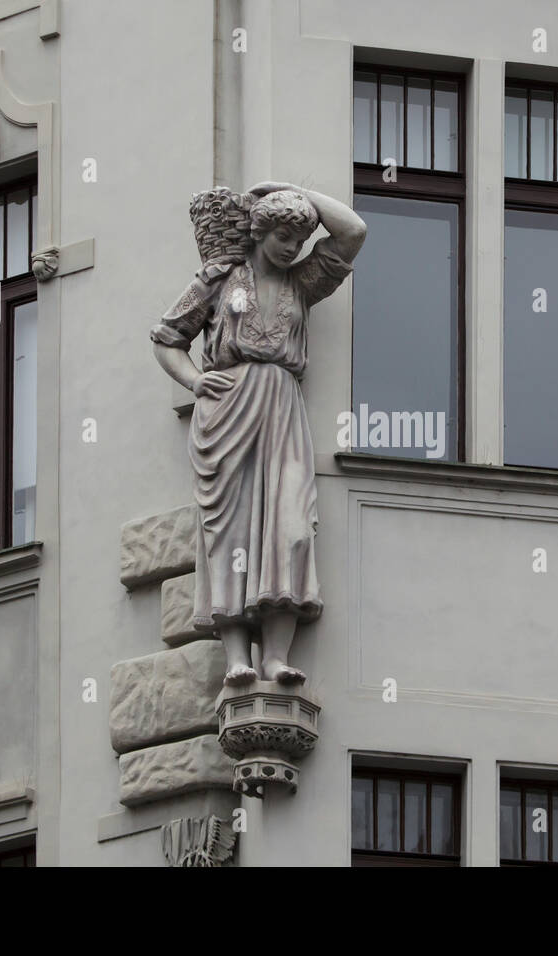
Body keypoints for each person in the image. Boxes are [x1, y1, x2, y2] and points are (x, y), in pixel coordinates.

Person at [151, 182, 367, 685]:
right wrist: (196, 381)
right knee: (230, 531)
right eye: (283, 236)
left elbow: (354, 231)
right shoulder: (220, 279)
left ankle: (275, 655)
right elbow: (167, 339)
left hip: (282, 409)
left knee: (290, 529)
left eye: (299, 237)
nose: (292, 247)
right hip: (227, 413)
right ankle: (237, 658)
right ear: (259, 231)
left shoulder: (304, 282)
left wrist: (298, 193)